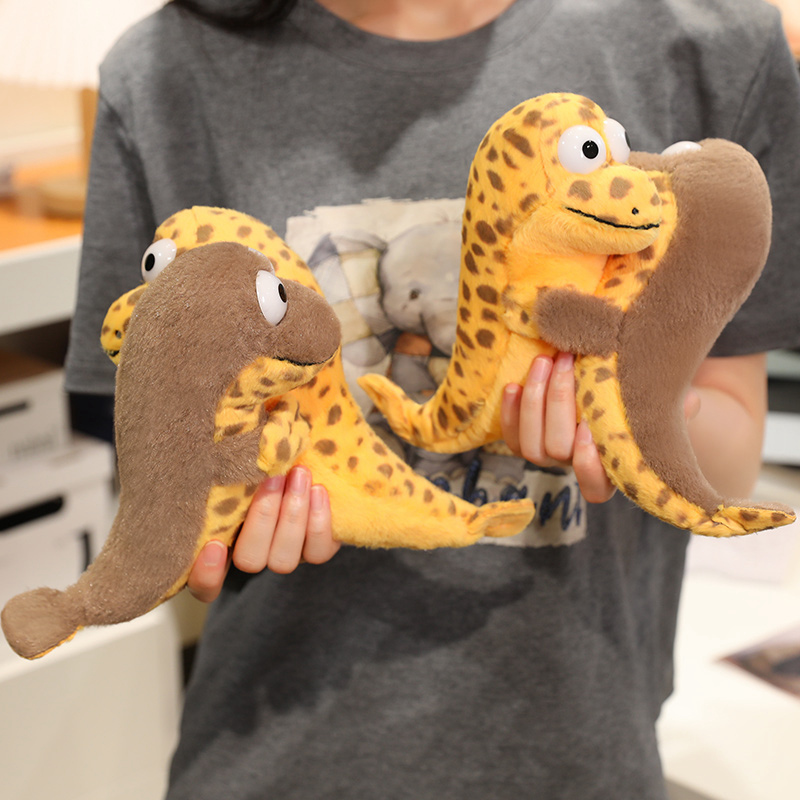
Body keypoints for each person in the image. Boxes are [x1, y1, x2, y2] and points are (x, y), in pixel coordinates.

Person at [63, 1, 800, 797]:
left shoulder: (710, 38)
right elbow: (156, 447)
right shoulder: (162, 72)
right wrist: (206, 530)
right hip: (273, 750)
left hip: (582, 749)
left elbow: (733, 446)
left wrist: (639, 404)